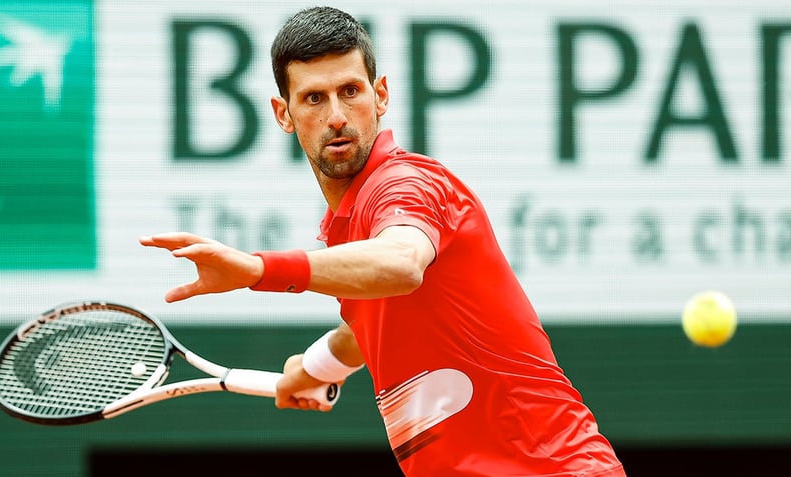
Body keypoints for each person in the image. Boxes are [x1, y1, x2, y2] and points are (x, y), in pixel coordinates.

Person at [140, 6, 626, 476]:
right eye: (313, 98)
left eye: (350, 91)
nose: (336, 116)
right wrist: (315, 368)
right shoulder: (345, 227)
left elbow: (400, 264)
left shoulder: (407, 184)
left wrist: (261, 270)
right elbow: (368, 328)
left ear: (381, 95)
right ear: (283, 114)